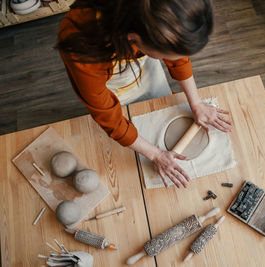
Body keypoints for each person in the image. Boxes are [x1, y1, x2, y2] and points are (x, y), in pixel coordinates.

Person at [57, 0, 232, 189]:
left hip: (144, 68)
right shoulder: (83, 48)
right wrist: (155, 154)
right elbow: (109, 117)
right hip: (112, 84)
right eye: (165, 54)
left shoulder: (156, 18)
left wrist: (196, 103)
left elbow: (178, 53)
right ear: (134, 39)